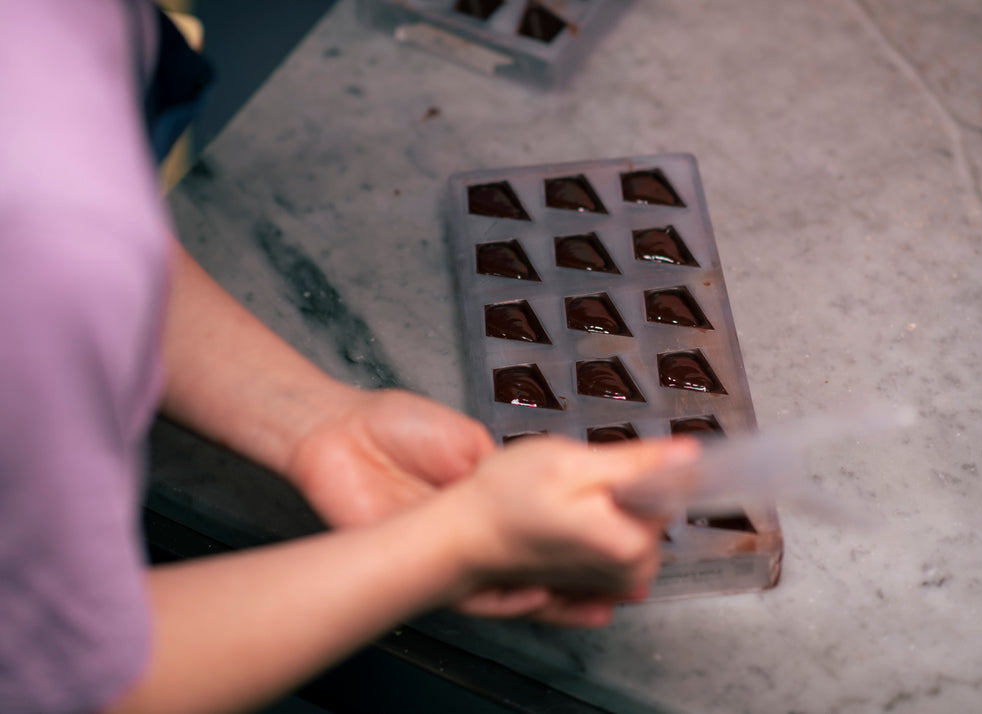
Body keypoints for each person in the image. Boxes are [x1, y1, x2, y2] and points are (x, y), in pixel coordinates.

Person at [0, 2, 699, 713]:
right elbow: (77, 686)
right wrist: (459, 541)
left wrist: (316, 421)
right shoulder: (54, 215)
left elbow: (96, 253)